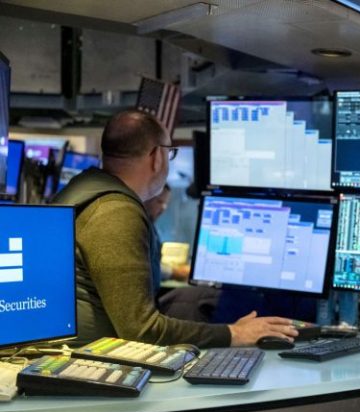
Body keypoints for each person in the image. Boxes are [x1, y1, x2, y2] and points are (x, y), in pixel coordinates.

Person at [53, 109, 298, 347]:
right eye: (170, 153)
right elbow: (142, 330)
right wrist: (233, 333)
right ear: (157, 157)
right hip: (87, 358)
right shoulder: (115, 211)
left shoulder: (83, 190)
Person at [144, 183, 190, 282]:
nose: (163, 208)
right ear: (145, 199)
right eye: (159, 202)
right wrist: (174, 272)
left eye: (166, 203)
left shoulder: (150, 227)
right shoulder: (139, 227)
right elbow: (146, 267)